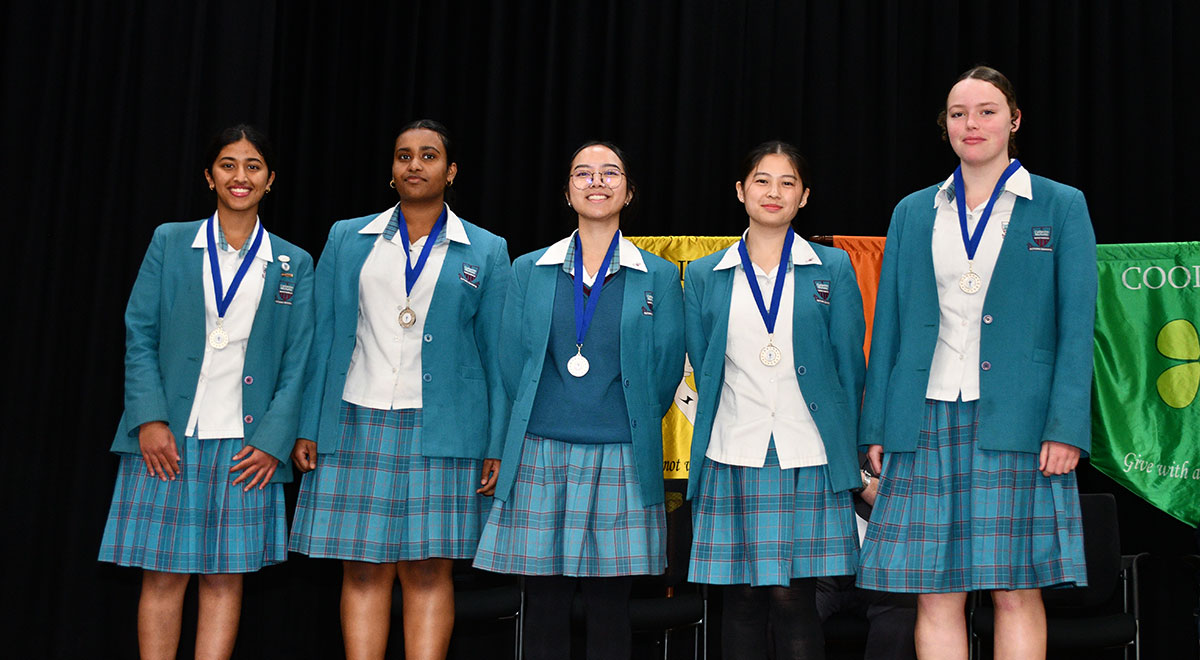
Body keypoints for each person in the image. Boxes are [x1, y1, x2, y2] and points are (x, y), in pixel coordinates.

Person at [857, 65, 1095, 660]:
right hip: (925, 415)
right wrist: (879, 423)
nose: (973, 123)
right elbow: (888, 326)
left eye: (987, 111)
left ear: (1014, 120)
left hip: (1018, 419)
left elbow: (1076, 328)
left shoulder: (1061, 206)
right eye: (959, 113)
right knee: (936, 593)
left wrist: (1066, 426)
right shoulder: (914, 211)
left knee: (1016, 589)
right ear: (946, 126)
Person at [288, 119, 510, 660]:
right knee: (362, 567)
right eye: (404, 156)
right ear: (392, 170)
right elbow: (321, 339)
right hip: (356, 419)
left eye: (428, 155)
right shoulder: (347, 237)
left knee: (430, 568)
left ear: (450, 171)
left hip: (445, 427)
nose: (415, 165)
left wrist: (497, 444)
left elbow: (500, 355)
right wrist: (308, 425)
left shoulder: (485, 249)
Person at [99, 124, 315, 660]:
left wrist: (272, 440)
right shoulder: (170, 241)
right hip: (169, 437)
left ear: (270, 180)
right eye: (228, 165)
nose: (240, 176)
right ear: (208, 176)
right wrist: (147, 419)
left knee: (224, 578)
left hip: (247, 447)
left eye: (253, 166)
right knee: (164, 577)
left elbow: (299, 360)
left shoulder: (294, 262)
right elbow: (139, 333)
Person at [472, 141, 685, 660]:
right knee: (544, 603)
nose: (597, 182)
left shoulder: (656, 273)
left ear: (628, 191)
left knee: (610, 607)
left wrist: (620, 419)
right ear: (568, 192)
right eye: (583, 174)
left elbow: (664, 368)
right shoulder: (530, 268)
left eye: (610, 173)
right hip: (541, 451)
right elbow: (510, 360)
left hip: (621, 455)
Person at [684, 141, 866, 659]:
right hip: (732, 450)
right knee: (740, 600)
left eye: (788, 183)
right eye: (762, 181)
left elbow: (850, 365)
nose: (774, 192)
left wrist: (853, 447)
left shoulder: (832, 267)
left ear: (804, 197)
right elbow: (704, 363)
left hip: (807, 451)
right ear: (741, 192)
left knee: (795, 598)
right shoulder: (704, 274)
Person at [815, 466, 918, 660]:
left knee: (905, 606)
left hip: (880, 563)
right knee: (786, 607)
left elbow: (912, 509)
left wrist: (858, 479)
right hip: (818, 565)